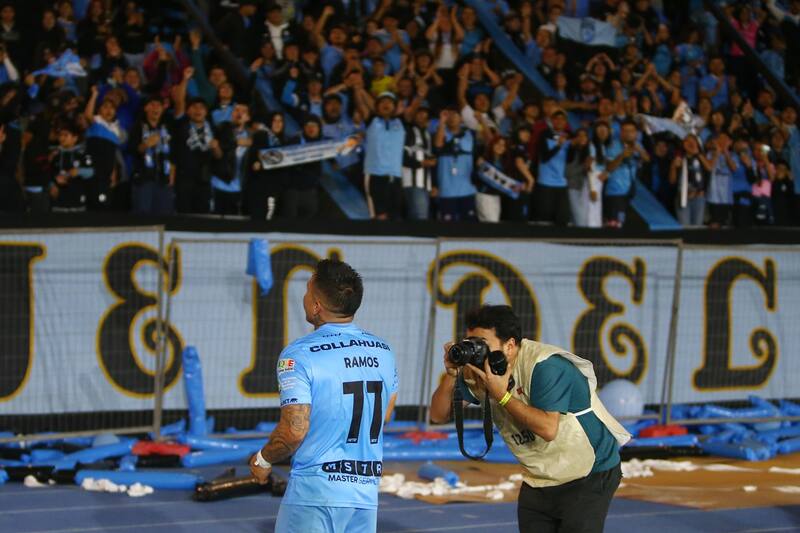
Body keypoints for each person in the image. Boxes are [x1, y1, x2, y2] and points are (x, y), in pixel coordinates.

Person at [429, 305, 629, 533]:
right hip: (540, 476)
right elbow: (437, 415)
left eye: (483, 344)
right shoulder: (479, 369)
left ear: (510, 346)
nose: (476, 351)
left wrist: (501, 396)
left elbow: (548, 428)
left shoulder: (545, 366)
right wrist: (451, 375)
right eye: (471, 343)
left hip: (589, 471)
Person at [249, 258, 399, 533]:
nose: (304, 297)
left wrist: (264, 459)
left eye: (307, 290)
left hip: (314, 492)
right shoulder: (383, 351)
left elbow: (294, 430)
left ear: (316, 305)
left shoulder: (299, 354)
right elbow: (385, 414)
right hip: (364, 495)